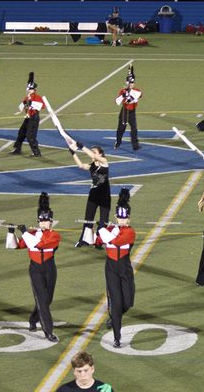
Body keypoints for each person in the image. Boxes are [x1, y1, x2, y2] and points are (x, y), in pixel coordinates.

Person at [5, 192, 61, 342]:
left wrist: (24, 232)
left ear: (51, 221)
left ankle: (32, 319)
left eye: (47, 221)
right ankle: (48, 331)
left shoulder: (54, 236)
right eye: (41, 222)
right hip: (35, 269)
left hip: (50, 269)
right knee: (42, 300)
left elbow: (39, 244)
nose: (44, 224)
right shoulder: (32, 234)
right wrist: (11, 233)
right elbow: (15, 246)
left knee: (47, 300)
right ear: (38, 221)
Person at [94, 189, 136, 349]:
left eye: (125, 218)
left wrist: (102, 230)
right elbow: (97, 242)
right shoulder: (110, 230)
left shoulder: (130, 232)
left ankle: (114, 314)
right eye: (120, 217)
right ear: (116, 217)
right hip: (111, 268)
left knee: (128, 302)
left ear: (129, 218)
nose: (122, 221)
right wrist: (97, 232)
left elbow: (115, 241)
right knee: (117, 302)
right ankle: (117, 337)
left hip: (125, 269)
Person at [70, 143, 111, 247]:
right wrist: (73, 153)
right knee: (88, 219)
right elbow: (80, 165)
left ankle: (100, 242)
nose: (93, 154)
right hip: (93, 196)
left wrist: (82, 147)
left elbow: (93, 156)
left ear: (101, 155)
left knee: (103, 221)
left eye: (95, 152)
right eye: (92, 152)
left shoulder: (105, 163)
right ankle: (85, 241)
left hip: (104, 197)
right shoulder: (92, 166)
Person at [11, 72, 43, 157]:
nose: (29, 90)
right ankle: (17, 148)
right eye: (29, 89)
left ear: (34, 90)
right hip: (28, 117)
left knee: (30, 135)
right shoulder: (27, 97)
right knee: (21, 132)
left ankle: (36, 152)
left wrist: (31, 103)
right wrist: (20, 108)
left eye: (31, 89)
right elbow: (24, 104)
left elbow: (42, 106)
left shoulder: (37, 97)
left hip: (33, 117)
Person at [114, 65, 142, 151]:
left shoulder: (137, 91)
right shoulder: (123, 91)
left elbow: (135, 97)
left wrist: (129, 97)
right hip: (124, 112)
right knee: (121, 129)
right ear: (127, 83)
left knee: (134, 129)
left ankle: (135, 145)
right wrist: (123, 95)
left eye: (133, 83)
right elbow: (117, 102)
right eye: (130, 83)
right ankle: (118, 142)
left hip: (132, 112)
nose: (131, 84)